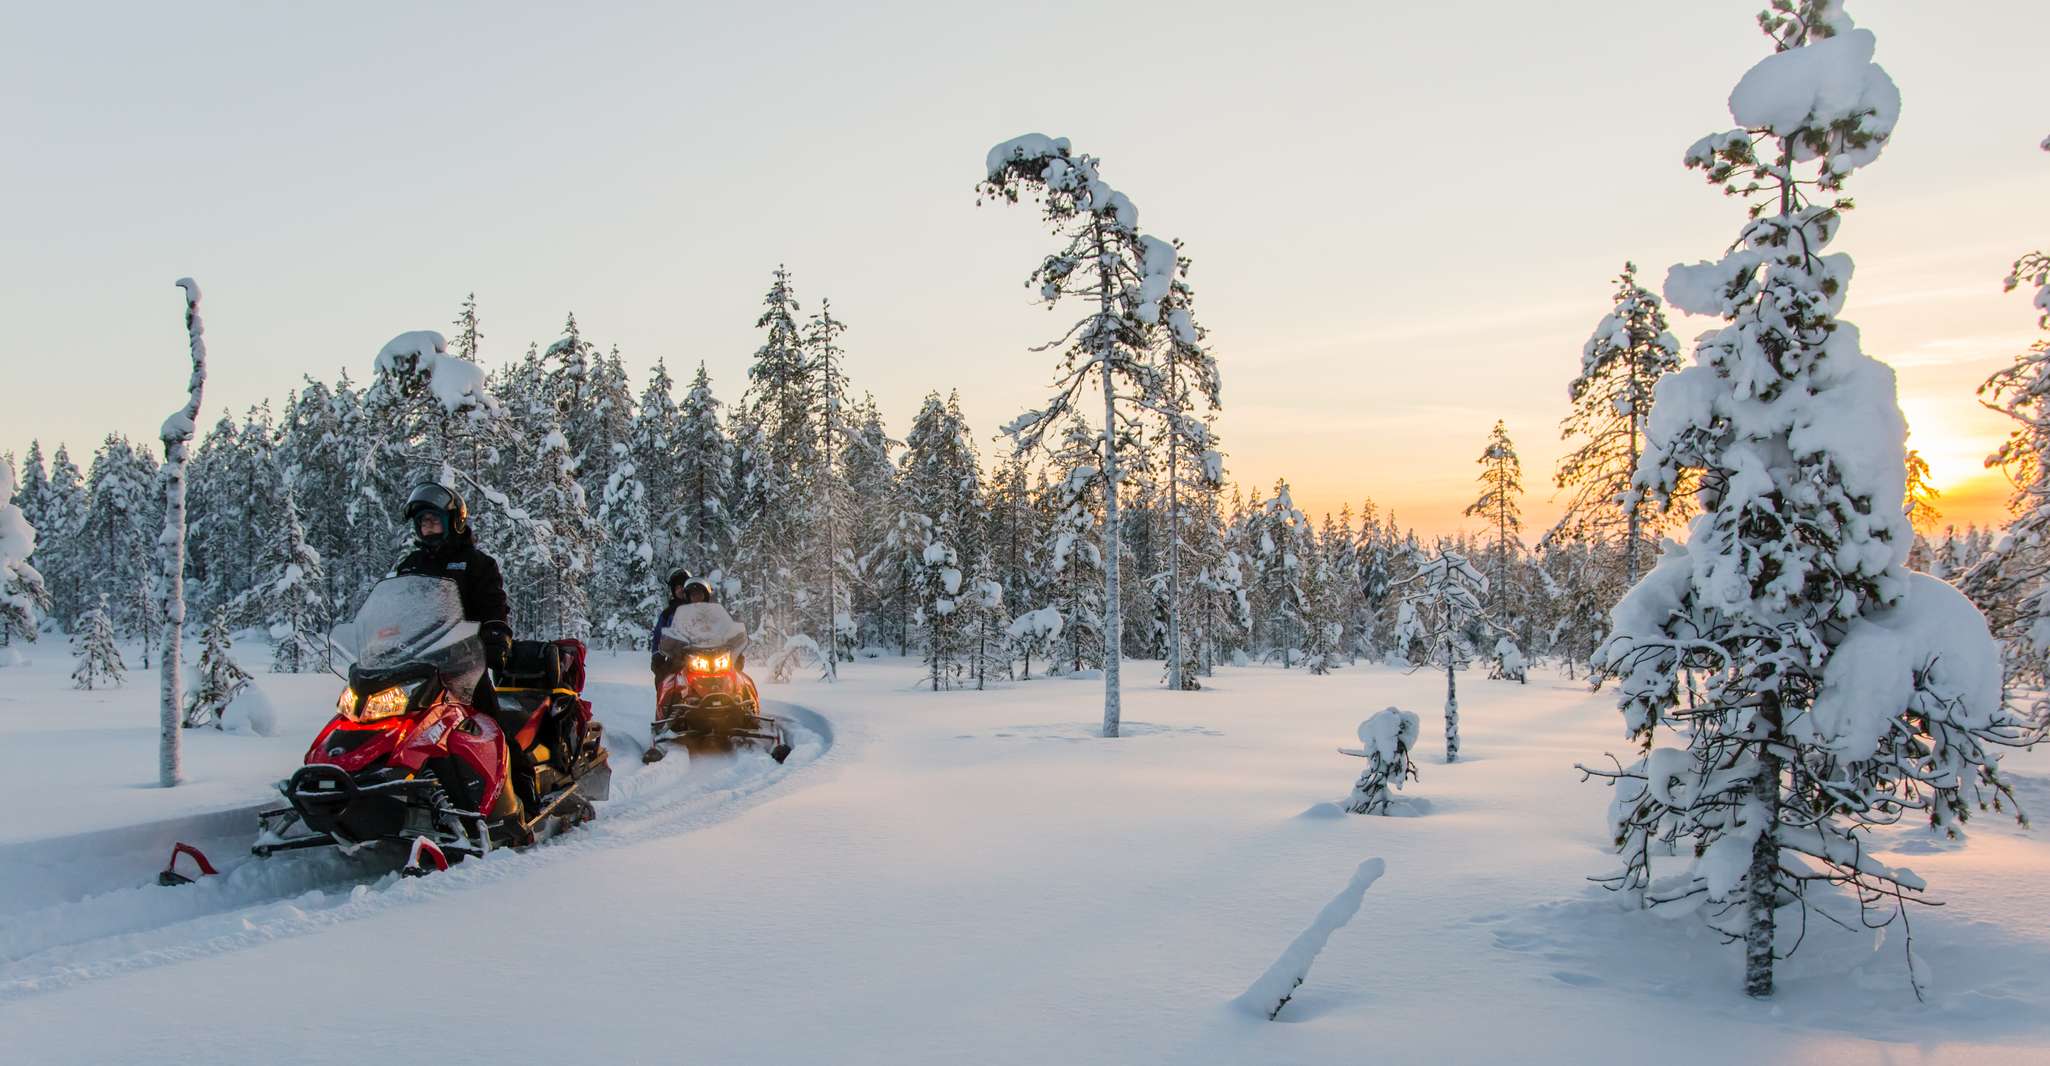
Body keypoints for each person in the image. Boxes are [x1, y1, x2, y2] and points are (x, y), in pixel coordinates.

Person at [394, 483, 512, 689]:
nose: (428, 525)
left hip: (464, 662)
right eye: (423, 521)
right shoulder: (410, 565)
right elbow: (398, 607)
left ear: (453, 520)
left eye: (434, 519)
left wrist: (495, 634)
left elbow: (493, 604)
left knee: (481, 703)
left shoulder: (477, 563)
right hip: (415, 659)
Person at [649, 571, 713, 679]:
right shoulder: (669, 613)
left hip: (709, 655)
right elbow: (659, 636)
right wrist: (657, 655)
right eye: (677, 588)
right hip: (680, 657)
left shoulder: (710, 612)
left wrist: (735, 649)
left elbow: (723, 630)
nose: (680, 590)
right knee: (665, 677)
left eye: (682, 586)